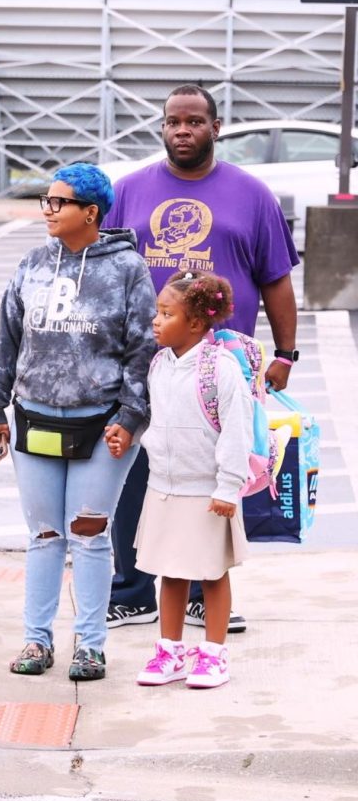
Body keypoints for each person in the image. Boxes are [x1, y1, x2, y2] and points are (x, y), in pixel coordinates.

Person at [103, 84, 299, 634]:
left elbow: (277, 280)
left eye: (193, 122)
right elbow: (103, 271)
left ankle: (201, 592)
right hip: (144, 366)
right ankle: (134, 590)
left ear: (215, 128)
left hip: (220, 370)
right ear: (162, 128)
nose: (182, 131)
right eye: (172, 122)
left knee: (213, 478)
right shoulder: (130, 192)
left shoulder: (252, 195)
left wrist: (285, 354)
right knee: (139, 476)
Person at [0, 162, 156, 682]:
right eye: (47, 202)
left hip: (102, 425)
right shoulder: (32, 264)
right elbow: (6, 342)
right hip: (34, 420)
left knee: (90, 534)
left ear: (91, 212)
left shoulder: (128, 270)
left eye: (60, 203)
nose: (49, 211)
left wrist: (131, 415)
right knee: (44, 534)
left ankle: (91, 647)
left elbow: (143, 350)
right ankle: (37, 641)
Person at [128, 271, 252, 690]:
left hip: (208, 490)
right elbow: (158, 418)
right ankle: (171, 651)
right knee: (171, 572)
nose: (156, 322)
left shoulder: (220, 368)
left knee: (212, 573)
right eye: (157, 313)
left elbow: (237, 430)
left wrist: (228, 487)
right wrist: (133, 437)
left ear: (196, 324)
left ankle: (214, 654)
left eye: (166, 314)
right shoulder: (159, 363)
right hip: (164, 487)